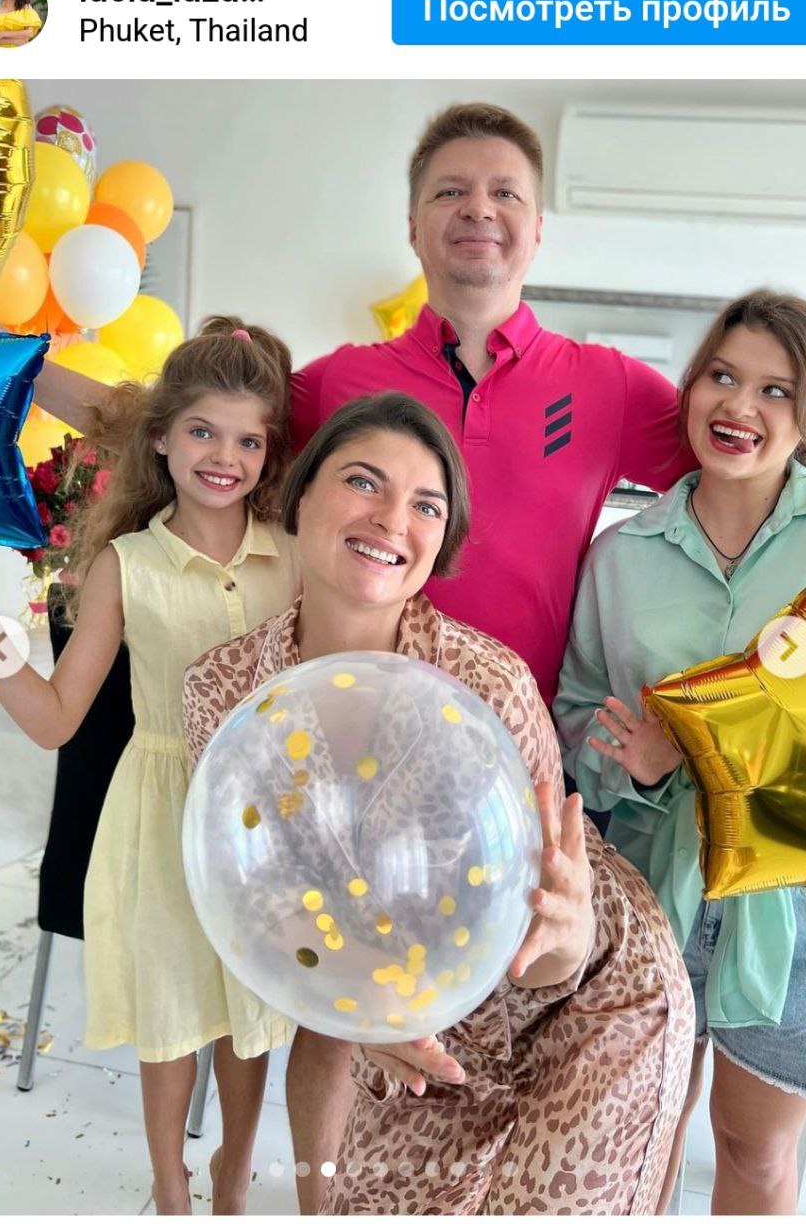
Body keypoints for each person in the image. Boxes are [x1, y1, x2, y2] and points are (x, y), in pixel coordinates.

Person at [0, 100, 695, 1210]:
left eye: (505, 194)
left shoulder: (610, 385)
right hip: (335, 754)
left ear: (539, 228)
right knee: (328, 1025)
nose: (478, 211)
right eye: (449, 190)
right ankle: (313, 1197)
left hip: (507, 756)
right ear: (412, 220)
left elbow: (751, 456)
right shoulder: (343, 383)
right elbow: (171, 416)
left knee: (525, 1026)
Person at [182, 391, 695, 1215]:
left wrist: (563, 942)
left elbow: (551, 948)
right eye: (362, 481)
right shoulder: (226, 689)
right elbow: (269, 908)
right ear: (297, 498)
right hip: (415, 1012)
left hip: (588, 1007)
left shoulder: (486, 685)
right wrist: (368, 1019)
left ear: (439, 544)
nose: (392, 519)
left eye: (426, 505)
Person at [0, 317, 301, 1215]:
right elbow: (55, 719)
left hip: (260, 821)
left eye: (248, 440)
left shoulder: (293, 557)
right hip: (160, 814)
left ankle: (232, 1173)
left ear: (269, 453)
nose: (224, 457)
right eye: (203, 431)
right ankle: (169, 1185)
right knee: (170, 1009)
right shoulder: (124, 567)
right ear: (160, 437)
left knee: (251, 1012)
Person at [554, 291, 806, 1214]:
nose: (739, 406)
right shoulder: (622, 556)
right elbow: (575, 710)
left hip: (796, 901)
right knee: (639, 1137)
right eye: (721, 376)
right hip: (650, 888)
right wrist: (631, 765)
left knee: (753, 1154)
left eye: (774, 390)